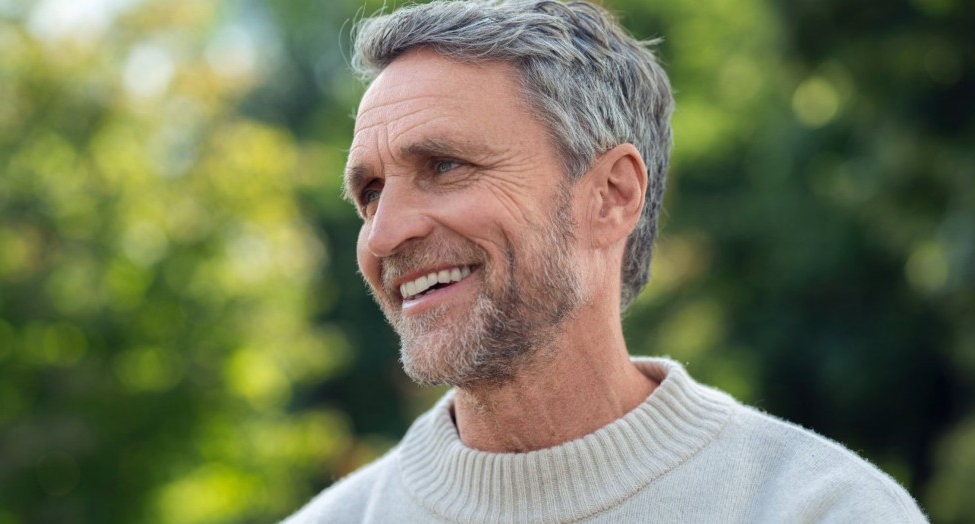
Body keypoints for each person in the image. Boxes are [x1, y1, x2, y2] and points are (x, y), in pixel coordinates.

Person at [285, 0, 927, 522]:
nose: (384, 234)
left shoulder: (825, 509)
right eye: (370, 193)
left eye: (445, 166)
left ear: (612, 196)